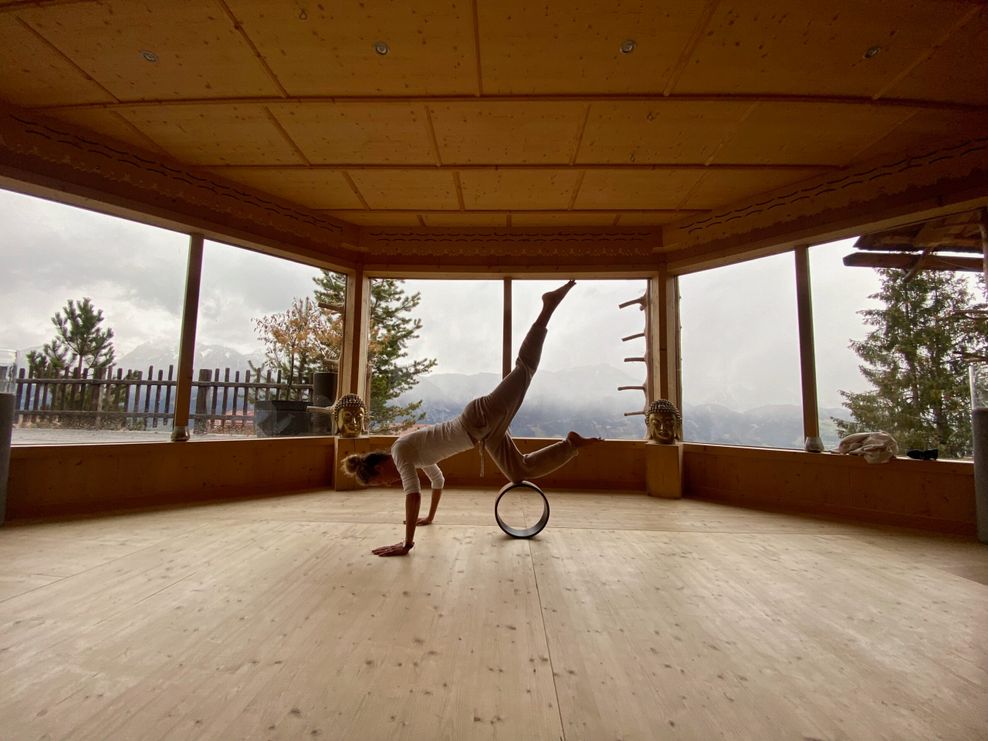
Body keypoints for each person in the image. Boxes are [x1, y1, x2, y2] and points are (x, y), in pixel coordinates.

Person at [341, 280, 601, 557]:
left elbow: (413, 493)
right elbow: (438, 481)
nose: (389, 485)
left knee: (525, 368)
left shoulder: (401, 451)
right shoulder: (416, 456)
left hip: (478, 417)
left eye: (382, 482)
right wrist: (429, 518)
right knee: (519, 472)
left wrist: (406, 543)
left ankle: (548, 306)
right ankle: (571, 444)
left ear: (380, 468)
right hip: (484, 433)